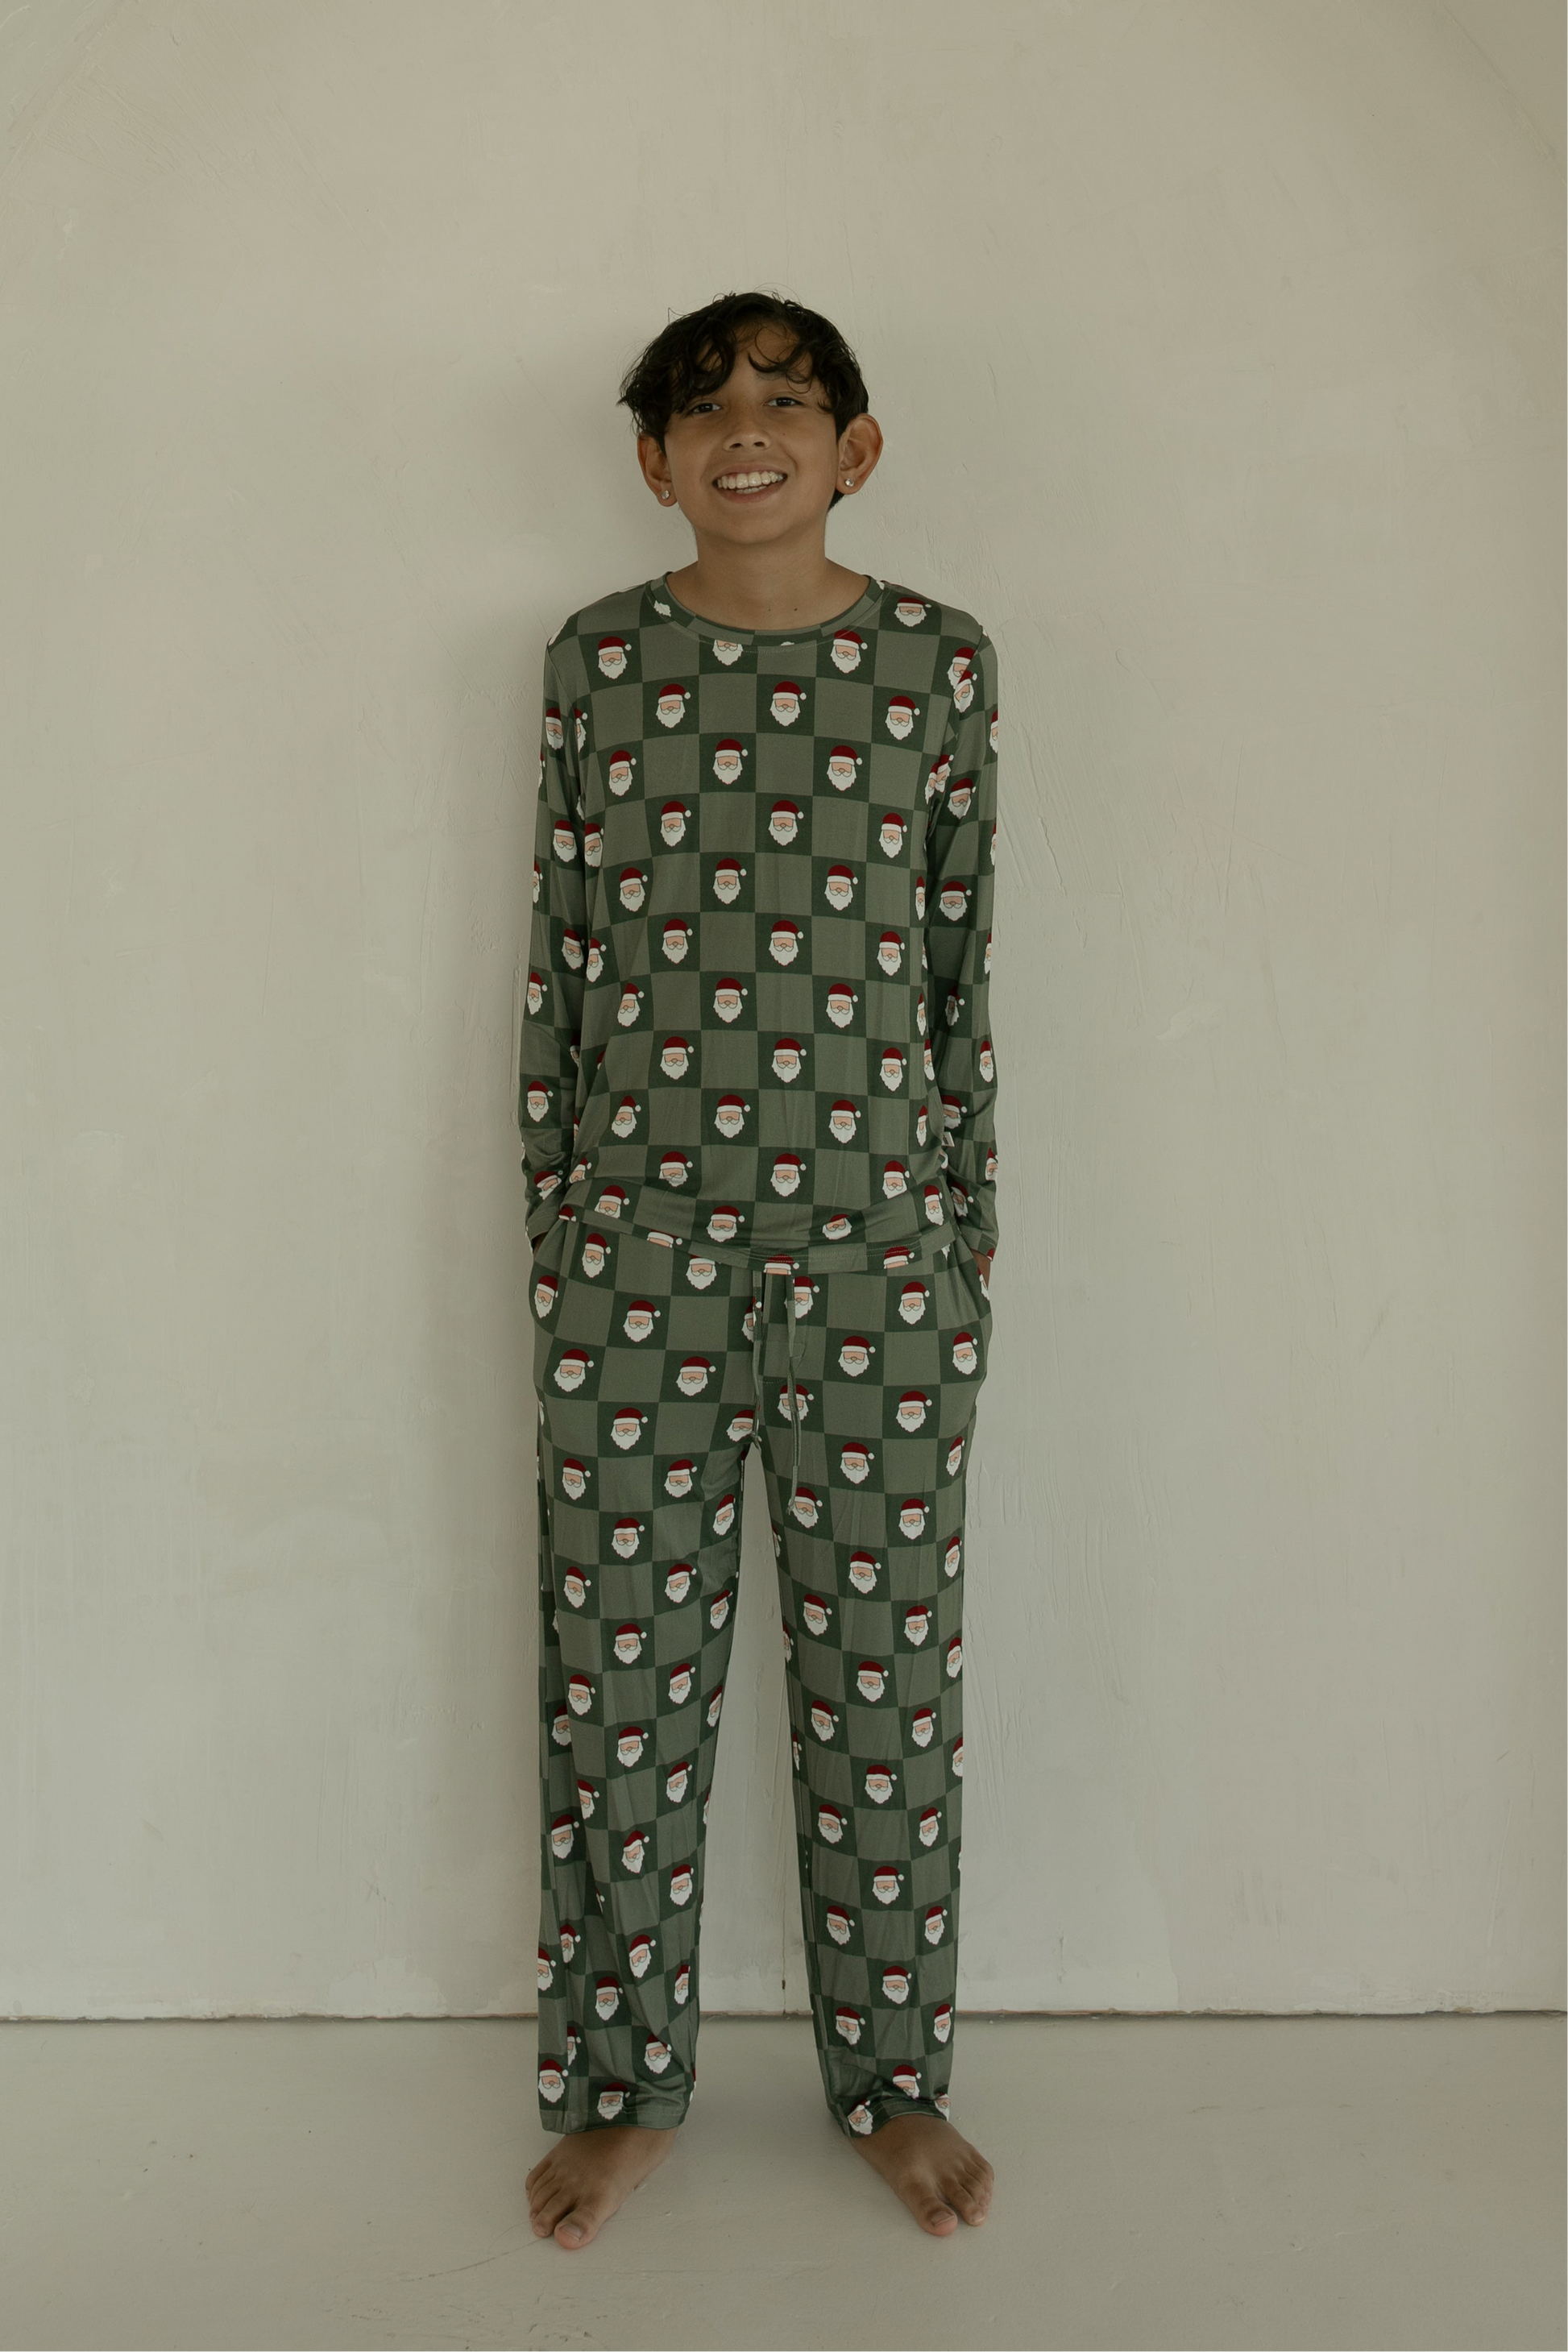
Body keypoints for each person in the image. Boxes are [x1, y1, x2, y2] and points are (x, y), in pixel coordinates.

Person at [518, 291, 1000, 2250]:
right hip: (633, 1251)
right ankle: (622, 2081)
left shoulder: (940, 664)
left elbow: (957, 969)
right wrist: (562, 1241)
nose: (747, 429)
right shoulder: (597, 663)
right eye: (705, 406)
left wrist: (959, 1247)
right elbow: (560, 968)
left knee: (883, 1690)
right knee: (614, 1690)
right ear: (653, 461)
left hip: (879, 1257)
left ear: (853, 449)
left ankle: (893, 2080)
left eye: (787, 402)